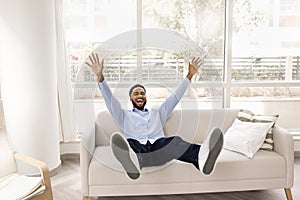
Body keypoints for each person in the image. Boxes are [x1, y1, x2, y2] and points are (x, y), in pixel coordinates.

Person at [85, 53, 224, 180]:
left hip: (159, 150)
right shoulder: (123, 115)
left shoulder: (157, 112)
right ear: (131, 98)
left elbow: (174, 98)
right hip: (138, 150)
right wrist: (100, 77)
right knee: (131, 143)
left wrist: (189, 76)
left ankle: (202, 157)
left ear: (145, 97)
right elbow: (110, 100)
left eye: (142, 93)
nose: (139, 95)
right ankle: (133, 162)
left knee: (174, 142)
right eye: (136, 93)